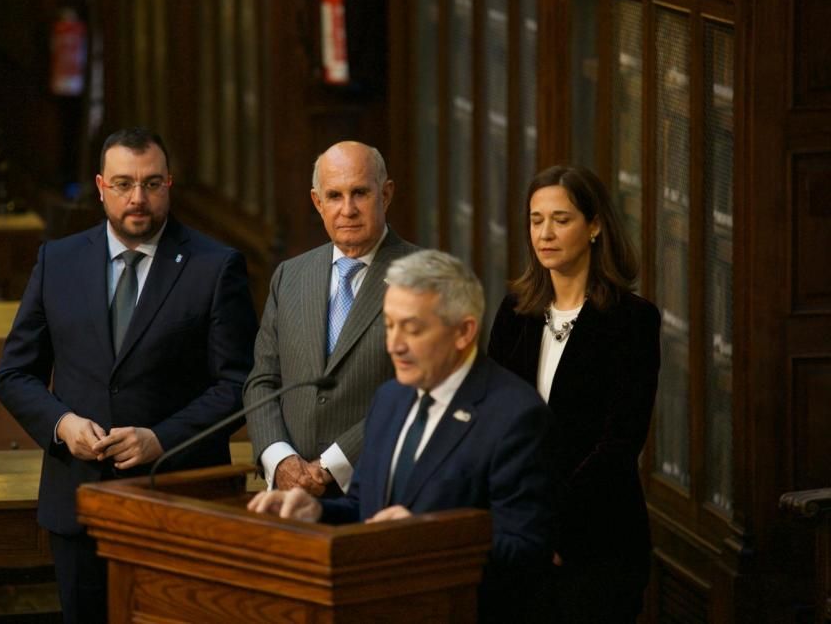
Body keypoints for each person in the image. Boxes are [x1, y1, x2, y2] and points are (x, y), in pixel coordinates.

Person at [0, 127, 257, 624]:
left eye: (152, 183)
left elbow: (239, 386)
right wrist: (62, 424)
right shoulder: (57, 260)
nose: (138, 198)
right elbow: (14, 374)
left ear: (169, 184)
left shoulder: (215, 267)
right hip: (79, 501)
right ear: (99, 186)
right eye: (123, 184)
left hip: (179, 499)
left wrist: (163, 438)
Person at [248, 250, 554, 621]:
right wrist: (315, 512)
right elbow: (365, 510)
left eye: (412, 328)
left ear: (464, 331)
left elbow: (526, 550)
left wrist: (425, 537)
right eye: (390, 326)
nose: (394, 344)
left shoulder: (514, 415)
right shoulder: (390, 398)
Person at [487, 164, 661, 623]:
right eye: (535, 219)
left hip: (597, 540)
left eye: (561, 219)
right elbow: (491, 422)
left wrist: (552, 526)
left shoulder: (632, 321)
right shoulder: (514, 310)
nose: (545, 233)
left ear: (595, 226)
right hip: (517, 539)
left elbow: (619, 443)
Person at [244, 141, 418, 496]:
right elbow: (261, 381)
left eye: (360, 193)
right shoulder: (290, 276)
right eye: (334, 196)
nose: (348, 209)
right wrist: (281, 461)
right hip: (287, 491)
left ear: (385, 195)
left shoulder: (423, 277)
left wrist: (331, 465)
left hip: (378, 491)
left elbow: (418, 390)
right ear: (317, 202)